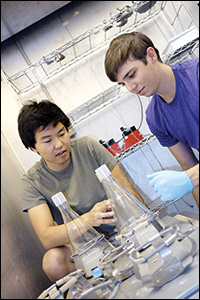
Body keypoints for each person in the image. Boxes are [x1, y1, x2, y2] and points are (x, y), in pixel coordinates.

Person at [17, 99, 145, 282]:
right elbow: (47, 238)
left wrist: (131, 226)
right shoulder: (32, 182)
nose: (59, 144)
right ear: (32, 147)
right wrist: (88, 220)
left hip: (124, 230)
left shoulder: (88, 147)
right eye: (47, 140)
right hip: (87, 249)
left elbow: (131, 194)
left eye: (62, 133)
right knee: (52, 261)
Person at [104, 31, 199, 206]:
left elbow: (191, 176)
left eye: (131, 75)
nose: (130, 87)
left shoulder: (196, 75)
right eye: (122, 83)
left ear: (151, 55)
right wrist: (191, 178)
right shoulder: (155, 118)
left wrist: (191, 178)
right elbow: (188, 167)